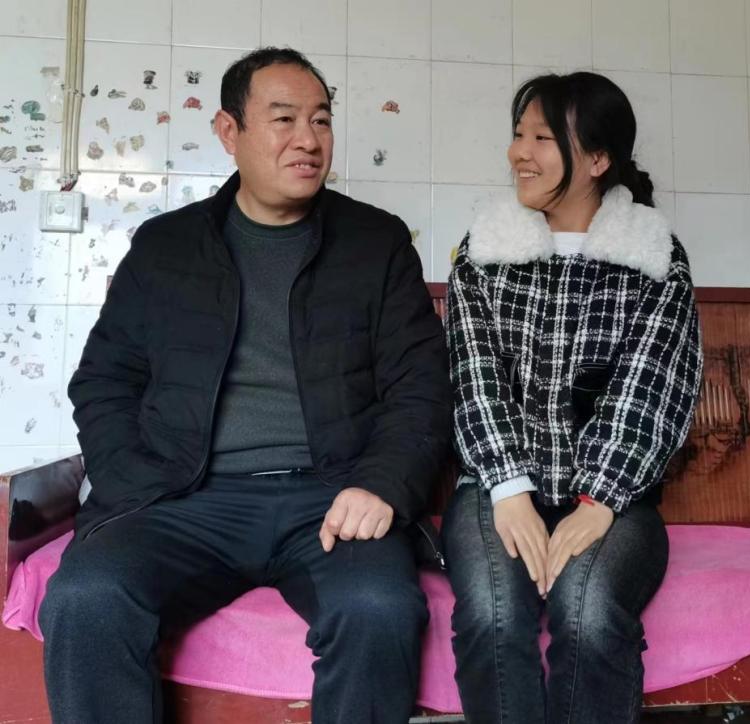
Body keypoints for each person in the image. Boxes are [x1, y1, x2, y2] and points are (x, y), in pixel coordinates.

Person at [39, 47, 451, 724]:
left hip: (330, 498)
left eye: (321, 120)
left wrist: (381, 484)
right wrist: (132, 482)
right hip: (187, 499)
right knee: (87, 596)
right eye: (284, 119)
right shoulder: (166, 246)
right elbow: (105, 381)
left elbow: (421, 386)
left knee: (378, 607)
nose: (308, 140)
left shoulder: (375, 244)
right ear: (229, 131)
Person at [441, 72, 704, 724]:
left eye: (541, 138)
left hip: (615, 497)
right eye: (518, 135)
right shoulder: (484, 251)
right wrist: (509, 490)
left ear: (597, 158)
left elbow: (653, 386)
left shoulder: (653, 257)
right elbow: (472, 375)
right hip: (496, 488)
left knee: (587, 611)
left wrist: (599, 500)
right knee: (493, 615)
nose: (518, 153)